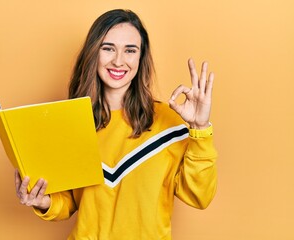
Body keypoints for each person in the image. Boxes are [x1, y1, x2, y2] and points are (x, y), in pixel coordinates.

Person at [15, 9, 217, 239]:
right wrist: (44, 202)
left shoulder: (168, 123)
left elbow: (199, 196)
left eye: (130, 50)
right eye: (108, 48)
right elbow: (70, 201)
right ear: (93, 53)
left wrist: (200, 128)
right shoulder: (70, 123)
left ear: (141, 58)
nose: (118, 61)